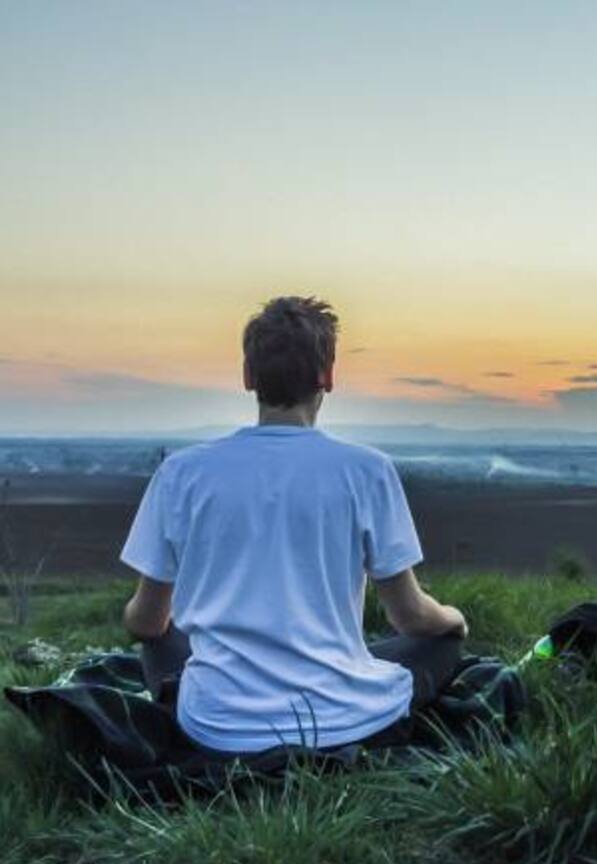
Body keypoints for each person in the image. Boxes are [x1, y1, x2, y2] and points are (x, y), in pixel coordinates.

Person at [119, 296, 468, 755]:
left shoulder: (181, 473)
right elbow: (410, 617)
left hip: (217, 726)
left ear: (248, 377)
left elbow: (144, 622)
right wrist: (455, 620)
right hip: (343, 720)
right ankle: (347, 683)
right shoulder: (367, 470)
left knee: (160, 639)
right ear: (328, 377)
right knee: (441, 644)